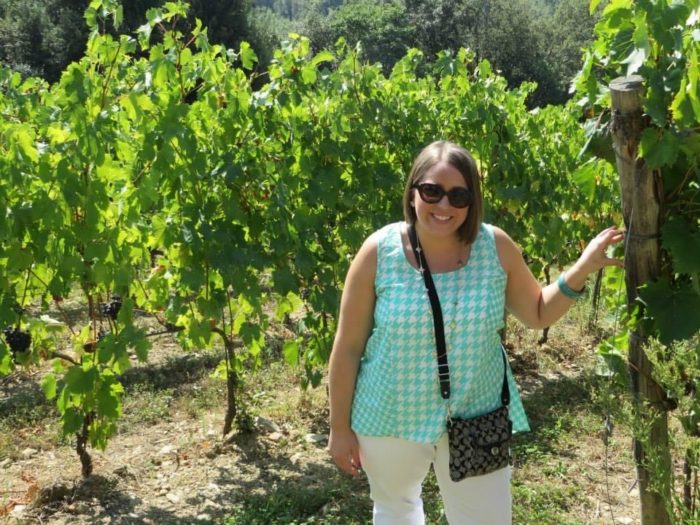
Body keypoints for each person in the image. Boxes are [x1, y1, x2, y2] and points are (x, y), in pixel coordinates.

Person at [327, 140, 624, 525]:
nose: (444, 205)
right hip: (388, 415)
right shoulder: (378, 252)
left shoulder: (494, 246)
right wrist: (338, 429)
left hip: (476, 416)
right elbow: (347, 348)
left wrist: (582, 268)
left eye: (458, 195)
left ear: (472, 201)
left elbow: (537, 312)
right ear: (413, 192)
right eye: (432, 191)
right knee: (395, 510)